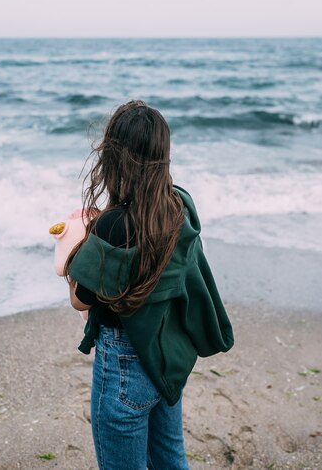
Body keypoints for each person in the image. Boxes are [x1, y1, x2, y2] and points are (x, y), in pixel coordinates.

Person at [64, 100, 234, 470]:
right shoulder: (179, 207)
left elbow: (81, 300)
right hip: (169, 356)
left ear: (113, 158)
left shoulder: (112, 227)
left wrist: (72, 247)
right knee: (171, 459)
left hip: (125, 365)